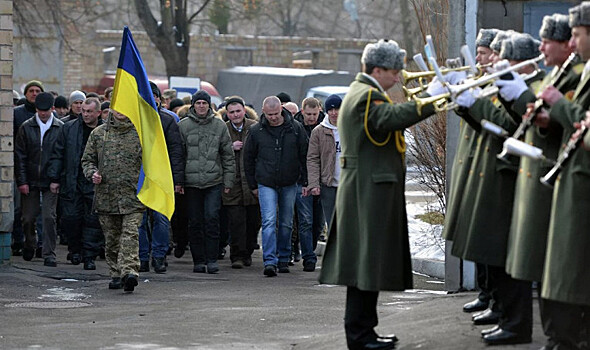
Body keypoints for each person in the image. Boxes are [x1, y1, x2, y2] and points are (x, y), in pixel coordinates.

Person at [318, 39, 447, 350]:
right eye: (395, 70)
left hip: (368, 187)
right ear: (378, 69)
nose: (399, 77)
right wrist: (432, 98)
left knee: (367, 265)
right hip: (368, 190)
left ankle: (365, 332)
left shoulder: (364, 92)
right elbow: (390, 120)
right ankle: (360, 337)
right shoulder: (367, 96)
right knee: (365, 265)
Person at [452, 32, 546, 345]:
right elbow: (491, 124)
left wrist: (475, 104)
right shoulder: (511, 87)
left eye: (506, 59)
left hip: (514, 178)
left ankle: (516, 323)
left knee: (510, 260)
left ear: (521, 62)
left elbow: (508, 126)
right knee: (497, 256)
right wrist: (465, 106)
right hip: (499, 175)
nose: (496, 63)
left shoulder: (531, 88)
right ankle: (506, 316)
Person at [496, 13, 581, 350]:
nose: (541, 46)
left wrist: (534, 106)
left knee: (557, 272)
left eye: (548, 41)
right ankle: (556, 335)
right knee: (544, 269)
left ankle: (562, 335)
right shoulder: (563, 74)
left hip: (560, 183)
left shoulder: (572, 77)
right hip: (542, 180)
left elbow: (567, 124)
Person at [534, 2, 590, 347]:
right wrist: (548, 119)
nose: (573, 41)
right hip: (574, 179)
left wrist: (559, 104)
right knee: (565, 270)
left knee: (572, 271)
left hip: (582, 182)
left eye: (578, 34)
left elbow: (581, 121)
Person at [244, 96, 308, 276]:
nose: (273, 117)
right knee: (269, 221)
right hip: (266, 182)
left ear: (281, 109)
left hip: (289, 181)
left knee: (287, 222)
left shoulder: (295, 129)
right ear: (263, 112)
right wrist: (253, 184)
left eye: (276, 113)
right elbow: (248, 159)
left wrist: (304, 180)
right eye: (270, 114)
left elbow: (304, 155)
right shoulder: (256, 131)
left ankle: (283, 258)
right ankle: (270, 260)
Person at [81, 109, 144, 292]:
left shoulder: (140, 133)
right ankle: (116, 273)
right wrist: (92, 173)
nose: (121, 112)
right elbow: (87, 160)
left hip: (133, 196)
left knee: (130, 234)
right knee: (112, 238)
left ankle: (129, 272)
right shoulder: (100, 133)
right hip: (107, 197)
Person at [178, 90, 235, 274]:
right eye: (198, 103)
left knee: (212, 219)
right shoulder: (184, 126)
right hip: (191, 182)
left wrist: (228, 181)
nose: (201, 106)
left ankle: (212, 259)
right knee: (195, 222)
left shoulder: (219, 126)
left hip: (213, 180)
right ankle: (198, 260)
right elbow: (178, 156)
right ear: (193, 105)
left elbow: (227, 155)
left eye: (204, 103)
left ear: (209, 105)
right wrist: (178, 181)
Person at [47, 97, 104, 270]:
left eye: (89, 112)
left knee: (93, 221)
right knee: (71, 218)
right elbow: (58, 153)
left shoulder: (105, 132)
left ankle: (89, 256)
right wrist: (54, 179)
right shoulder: (69, 128)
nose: (85, 114)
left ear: (98, 113)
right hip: (72, 180)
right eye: (83, 111)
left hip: (95, 182)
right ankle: (75, 249)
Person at [136, 82, 184, 274]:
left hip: (161, 178)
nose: (150, 98)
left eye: (153, 95)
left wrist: (177, 180)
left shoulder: (167, 121)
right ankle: (142, 257)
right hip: (138, 177)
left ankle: (159, 256)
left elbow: (176, 151)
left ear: (158, 98)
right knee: (138, 221)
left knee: (161, 219)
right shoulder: (134, 120)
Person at [15, 92, 63, 266]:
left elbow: (60, 155)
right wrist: (22, 181)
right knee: (28, 217)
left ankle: (49, 253)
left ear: (52, 109)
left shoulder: (59, 127)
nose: (43, 114)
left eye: (46, 110)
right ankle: (30, 244)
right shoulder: (26, 127)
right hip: (31, 178)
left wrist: (56, 178)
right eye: (40, 110)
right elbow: (20, 156)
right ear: (36, 109)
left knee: (49, 217)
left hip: (50, 179)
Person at [221, 96, 261, 269]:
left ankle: (248, 252)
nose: (236, 115)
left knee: (253, 221)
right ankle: (236, 255)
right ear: (227, 114)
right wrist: (230, 146)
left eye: (238, 111)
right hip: (233, 182)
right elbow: (214, 150)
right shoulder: (223, 129)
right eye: (232, 112)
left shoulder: (255, 127)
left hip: (253, 182)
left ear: (244, 111)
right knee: (236, 222)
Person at [11, 80, 44, 257]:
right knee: (20, 210)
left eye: (38, 90)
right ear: (26, 94)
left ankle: (39, 245)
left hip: (42, 170)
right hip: (22, 168)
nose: (34, 93)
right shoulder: (17, 115)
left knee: (43, 213)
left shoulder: (47, 117)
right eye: (31, 90)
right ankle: (19, 241)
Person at [307, 94, 342, 232]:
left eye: (337, 109)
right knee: (331, 222)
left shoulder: (351, 127)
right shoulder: (319, 131)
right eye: (330, 110)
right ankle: (336, 252)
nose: (334, 113)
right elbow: (313, 158)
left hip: (348, 183)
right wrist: (314, 183)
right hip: (328, 183)